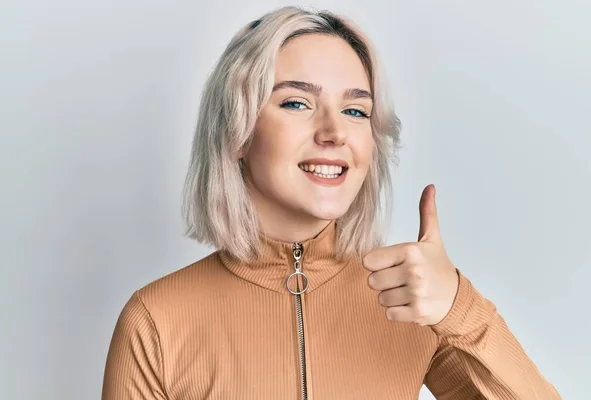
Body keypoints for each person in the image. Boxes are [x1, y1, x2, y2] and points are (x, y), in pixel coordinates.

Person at [101, 6, 561, 399]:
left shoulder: (410, 299)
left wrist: (459, 308)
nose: (334, 132)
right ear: (236, 130)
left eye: (356, 110)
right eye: (297, 103)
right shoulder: (157, 320)